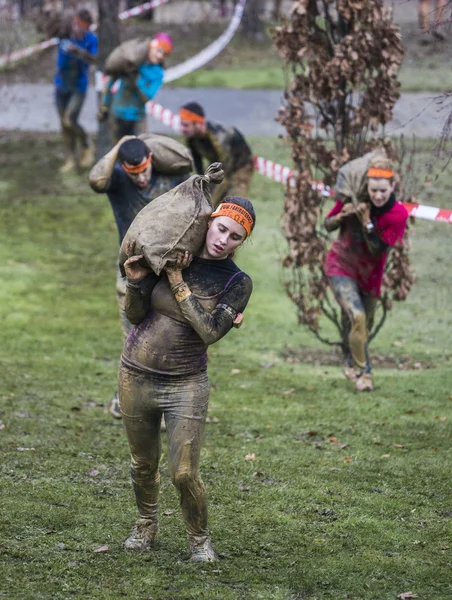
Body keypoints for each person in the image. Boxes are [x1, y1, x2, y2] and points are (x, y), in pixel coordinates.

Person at [118, 197, 255, 561]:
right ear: (209, 223)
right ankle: (146, 524)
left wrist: (178, 281)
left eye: (236, 237)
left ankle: (199, 540)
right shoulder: (172, 255)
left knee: (183, 472)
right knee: (142, 463)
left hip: (186, 383)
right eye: (221, 228)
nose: (224, 239)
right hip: (135, 374)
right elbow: (135, 315)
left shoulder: (238, 283)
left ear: (242, 243)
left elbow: (209, 331)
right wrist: (135, 284)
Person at [88, 136, 191, 417]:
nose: (141, 179)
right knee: (132, 340)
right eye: (134, 174)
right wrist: (120, 143)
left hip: (166, 277)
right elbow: (96, 180)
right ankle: (125, 400)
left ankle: (164, 404)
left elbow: (189, 167)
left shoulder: (171, 178)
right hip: (129, 276)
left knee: (166, 341)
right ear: (123, 168)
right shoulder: (118, 182)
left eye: (144, 171)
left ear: (151, 161)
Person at [323, 157, 409, 392]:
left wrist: (366, 222)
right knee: (358, 317)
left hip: (370, 276)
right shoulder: (354, 198)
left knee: (362, 326)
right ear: (367, 187)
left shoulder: (398, 215)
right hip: (340, 265)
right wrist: (343, 215)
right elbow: (327, 224)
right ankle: (365, 374)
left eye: (383, 190)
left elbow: (378, 248)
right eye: (373, 190)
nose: (378, 195)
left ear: (392, 187)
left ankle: (352, 363)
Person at [99, 33, 173, 143]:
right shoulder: (132, 61)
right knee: (118, 150)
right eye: (159, 51)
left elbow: (148, 96)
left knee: (140, 151)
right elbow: (110, 83)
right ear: (151, 47)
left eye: (164, 54)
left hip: (137, 117)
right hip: (117, 113)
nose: (160, 56)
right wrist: (104, 106)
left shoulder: (158, 73)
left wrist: (138, 81)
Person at [179, 102, 254, 207]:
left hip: (240, 167)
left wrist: (211, 202)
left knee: (232, 204)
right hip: (217, 163)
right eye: (181, 124)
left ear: (199, 124)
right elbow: (197, 160)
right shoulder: (192, 137)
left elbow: (224, 174)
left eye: (186, 125)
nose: (182, 129)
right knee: (207, 197)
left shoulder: (219, 138)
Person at [55, 9, 98, 173]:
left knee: (69, 120)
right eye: (77, 23)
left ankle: (87, 144)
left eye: (83, 26)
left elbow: (94, 58)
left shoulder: (91, 40)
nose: (78, 28)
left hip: (78, 86)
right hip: (61, 84)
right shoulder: (64, 33)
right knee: (64, 125)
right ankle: (71, 159)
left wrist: (78, 51)